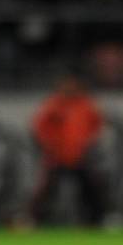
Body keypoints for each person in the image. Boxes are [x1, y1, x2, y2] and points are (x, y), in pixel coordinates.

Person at [29, 76, 105, 226]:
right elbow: (39, 127)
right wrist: (49, 145)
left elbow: (97, 125)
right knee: (47, 191)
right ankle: (33, 219)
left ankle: (97, 219)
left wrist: (89, 143)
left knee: (90, 189)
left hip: (79, 156)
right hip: (57, 156)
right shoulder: (53, 105)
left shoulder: (85, 104)